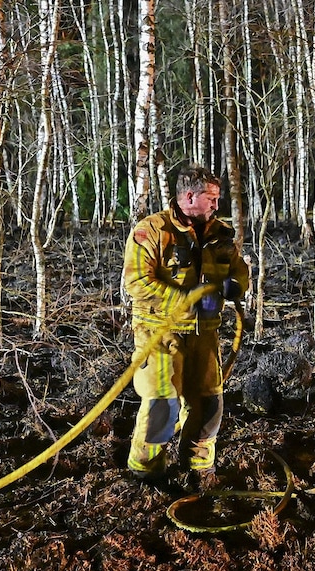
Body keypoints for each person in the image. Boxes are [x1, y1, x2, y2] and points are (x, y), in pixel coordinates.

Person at [122, 164, 249, 488]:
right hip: (160, 334)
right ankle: (146, 472)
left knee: (209, 403)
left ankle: (199, 469)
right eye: (211, 198)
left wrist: (234, 286)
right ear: (189, 196)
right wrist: (183, 298)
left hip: (205, 335)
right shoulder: (152, 231)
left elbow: (239, 273)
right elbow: (136, 281)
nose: (216, 206)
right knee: (163, 405)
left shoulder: (220, 234)